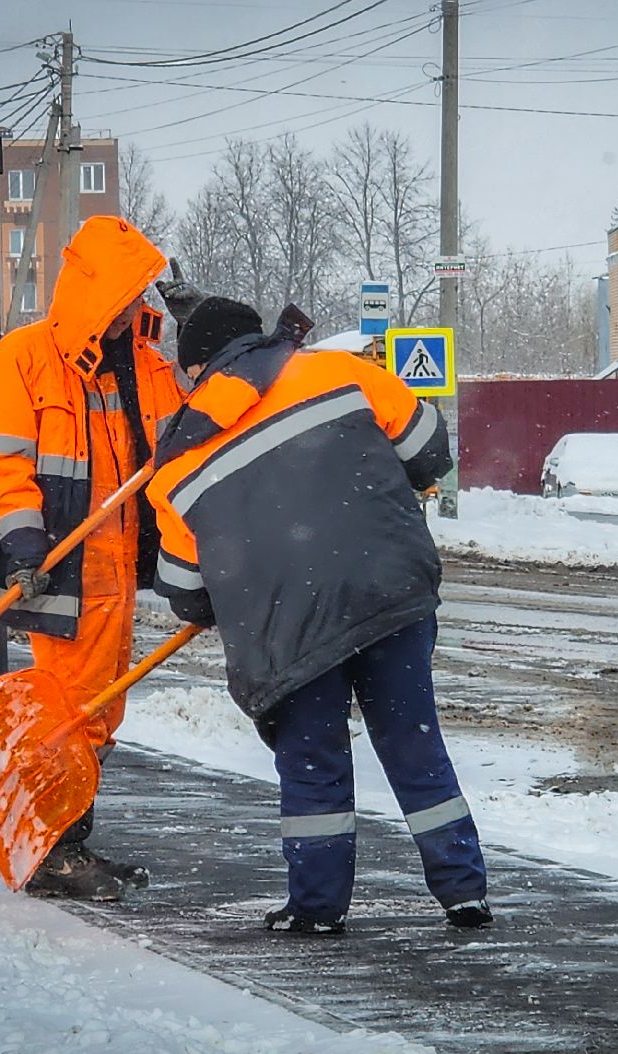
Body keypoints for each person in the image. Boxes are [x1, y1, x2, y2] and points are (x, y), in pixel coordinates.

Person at [147, 297, 490, 935]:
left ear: (197, 369)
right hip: (389, 593)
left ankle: (318, 907)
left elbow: (183, 590)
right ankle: (463, 890)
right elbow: (427, 449)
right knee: (414, 746)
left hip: (288, 632)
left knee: (313, 763)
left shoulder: (178, 459)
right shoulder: (339, 372)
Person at [0, 215, 186, 902]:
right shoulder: (22, 360)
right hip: (57, 563)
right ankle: (51, 850)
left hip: (118, 565)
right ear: (90, 293)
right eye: (121, 296)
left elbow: (189, 438)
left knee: (100, 710)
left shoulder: (145, 363)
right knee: (70, 710)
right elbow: (5, 467)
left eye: (137, 295)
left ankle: (69, 839)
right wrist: (24, 547)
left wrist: (208, 350)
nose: (130, 309)